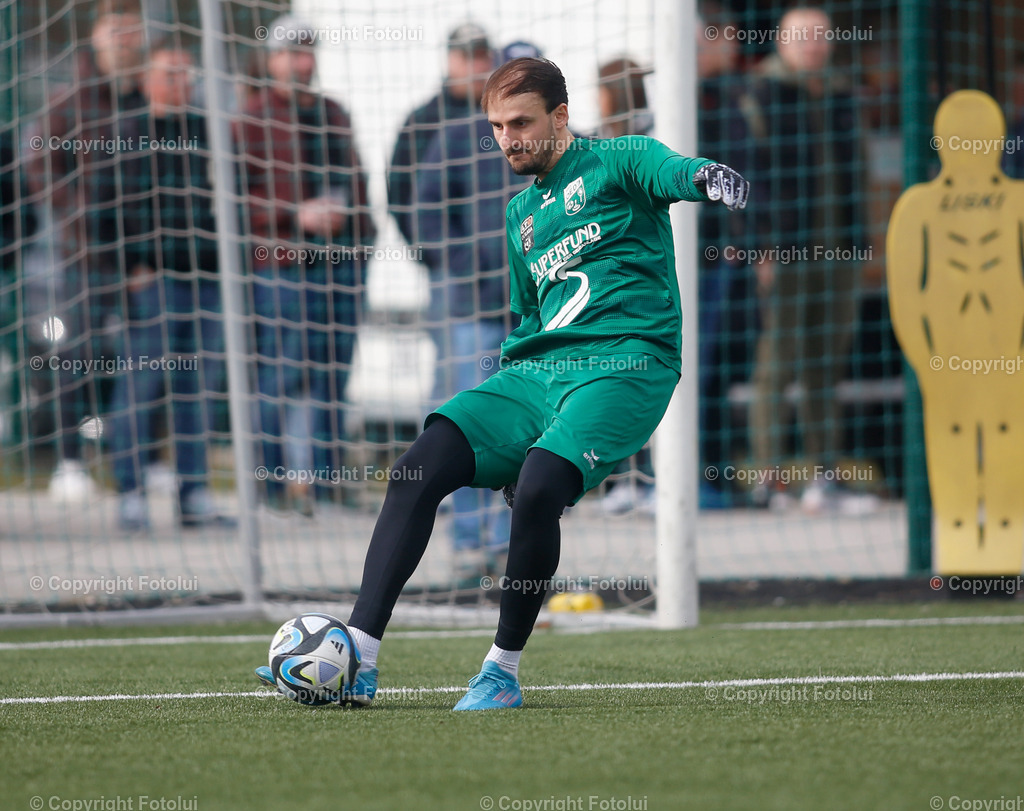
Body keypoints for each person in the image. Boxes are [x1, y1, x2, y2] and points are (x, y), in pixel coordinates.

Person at [255, 57, 748, 709]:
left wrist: (706, 177)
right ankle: (360, 655)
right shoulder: (520, 216)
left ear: (560, 117)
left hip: (628, 361)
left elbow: (670, 171)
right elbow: (530, 318)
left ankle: (500, 672)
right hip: (537, 372)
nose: (507, 138)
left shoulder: (619, 159)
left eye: (521, 123)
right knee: (417, 466)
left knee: (541, 484)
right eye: (496, 126)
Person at [235, 15, 375, 515]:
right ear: (271, 60)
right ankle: (272, 488)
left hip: (340, 266)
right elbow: (233, 200)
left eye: (308, 51)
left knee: (334, 376)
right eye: (292, 53)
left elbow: (358, 183)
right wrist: (294, 214)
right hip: (282, 267)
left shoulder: (335, 113)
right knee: (281, 374)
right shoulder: (249, 119)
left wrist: (360, 236)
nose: (302, 61)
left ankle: (327, 484)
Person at [415, 42, 538, 583]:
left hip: (541, 316)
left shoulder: (562, 142)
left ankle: (516, 545)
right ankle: (469, 544)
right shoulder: (458, 137)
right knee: (470, 429)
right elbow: (427, 211)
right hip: (479, 310)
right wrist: (472, 268)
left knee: (534, 433)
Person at [741, 7, 867, 512]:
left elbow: (856, 170)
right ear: (781, 41)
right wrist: (760, 248)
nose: (814, 44)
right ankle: (768, 478)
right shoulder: (761, 93)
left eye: (821, 36)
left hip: (840, 253)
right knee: (778, 362)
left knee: (826, 363)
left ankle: (824, 476)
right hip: (786, 252)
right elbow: (748, 176)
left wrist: (861, 244)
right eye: (804, 36)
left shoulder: (841, 93)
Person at [107, 47, 234, 530]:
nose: (181, 81)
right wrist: (130, 267)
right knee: (140, 388)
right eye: (171, 73)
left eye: (187, 73)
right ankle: (131, 493)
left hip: (206, 281)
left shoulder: (208, 132)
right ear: (147, 79)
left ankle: (194, 493)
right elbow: (108, 208)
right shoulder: (127, 134)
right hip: (152, 282)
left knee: (198, 392)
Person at [27, 0, 147, 502]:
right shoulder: (69, 99)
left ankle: (148, 459)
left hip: (142, 262)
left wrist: (148, 249)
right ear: (97, 34)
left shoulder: (145, 98)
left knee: (150, 360)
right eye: (114, 28)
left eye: (130, 28)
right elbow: (40, 168)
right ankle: (70, 462)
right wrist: (77, 222)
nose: (122, 37)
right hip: (84, 258)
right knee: (76, 355)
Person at [387, 23, 494, 245]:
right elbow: (400, 193)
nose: (478, 66)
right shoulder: (423, 121)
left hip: (505, 259)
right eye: (469, 57)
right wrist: (430, 252)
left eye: (483, 57)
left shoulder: (503, 118)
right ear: (451, 59)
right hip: (448, 268)